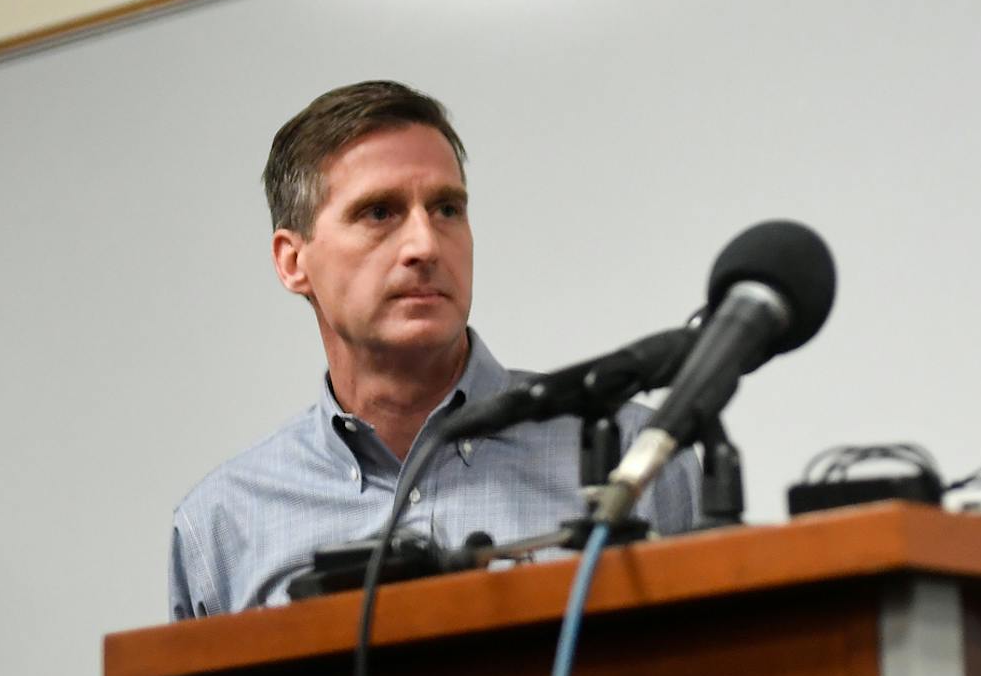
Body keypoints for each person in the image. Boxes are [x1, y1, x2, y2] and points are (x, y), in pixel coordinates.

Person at [170, 80, 699, 617]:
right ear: (292, 262)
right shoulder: (221, 523)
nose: (425, 245)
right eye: (379, 213)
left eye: (447, 208)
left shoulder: (635, 457)